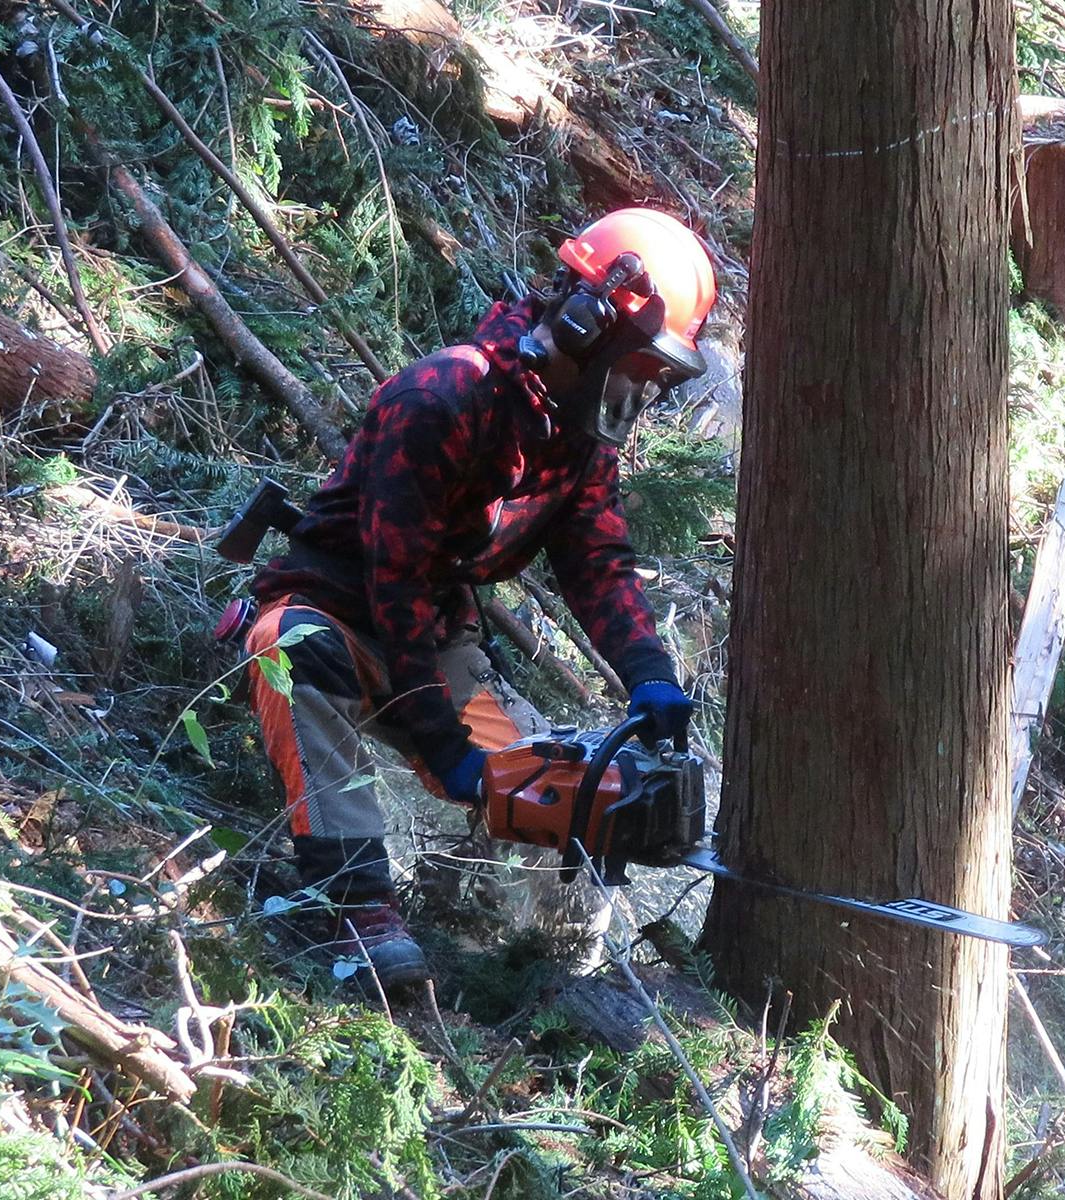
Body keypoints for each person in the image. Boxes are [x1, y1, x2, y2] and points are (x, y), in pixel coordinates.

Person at [241, 208, 718, 992]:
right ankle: (358, 907)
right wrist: (443, 747)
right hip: (338, 612)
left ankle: (556, 961)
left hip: (434, 636)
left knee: (555, 790)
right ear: (587, 323)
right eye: (639, 364)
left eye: (656, 374)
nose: (642, 387)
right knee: (290, 651)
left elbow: (595, 558)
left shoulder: (576, 434)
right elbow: (393, 583)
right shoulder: (443, 397)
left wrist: (649, 673)